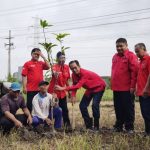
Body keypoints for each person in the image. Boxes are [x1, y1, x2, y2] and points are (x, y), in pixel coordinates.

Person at [55, 60, 106, 131]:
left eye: (75, 67)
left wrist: (63, 88)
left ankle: (96, 127)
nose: (74, 70)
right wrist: (73, 95)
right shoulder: (73, 75)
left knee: (95, 105)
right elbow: (75, 85)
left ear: (79, 66)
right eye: (72, 69)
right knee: (82, 105)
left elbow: (78, 86)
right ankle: (89, 126)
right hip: (90, 89)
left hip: (99, 87)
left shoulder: (85, 73)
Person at [111, 38, 138, 133]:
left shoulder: (131, 56)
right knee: (118, 108)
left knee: (128, 108)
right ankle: (119, 126)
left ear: (126, 45)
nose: (119, 48)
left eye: (121, 46)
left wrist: (132, 86)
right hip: (116, 88)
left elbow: (134, 73)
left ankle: (129, 127)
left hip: (127, 88)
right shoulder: (114, 56)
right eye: (117, 46)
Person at [22, 48, 50, 112]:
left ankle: (39, 120)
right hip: (31, 89)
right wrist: (24, 87)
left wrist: (43, 56)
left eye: (38, 54)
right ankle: (29, 120)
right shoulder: (27, 64)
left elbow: (48, 66)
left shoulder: (41, 63)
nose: (37, 55)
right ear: (31, 54)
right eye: (35, 54)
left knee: (40, 106)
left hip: (40, 89)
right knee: (30, 106)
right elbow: (24, 76)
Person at [48, 51, 71, 129]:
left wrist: (69, 90)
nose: (63, 59)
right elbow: (54, 72)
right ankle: (51, 125)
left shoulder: (67, 67)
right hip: (54, 92)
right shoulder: (54, 66)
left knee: (65, 109)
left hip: (62, 92)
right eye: (61, 57)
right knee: (55, 109)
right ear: (57, 58)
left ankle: (67, 125)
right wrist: (55, 73)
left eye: (64, 57)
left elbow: (67, 80)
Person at [135, 43, 150, 136]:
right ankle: (147, 131)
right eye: (135, 52)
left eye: (138, 51)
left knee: (147, 113)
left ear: (144, 49)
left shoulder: (148, 60)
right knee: (145, 113)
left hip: (147, 92)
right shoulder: (140, 62)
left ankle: (148, 132)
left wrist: (146, 89)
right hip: (141, 92)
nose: (136, 53)